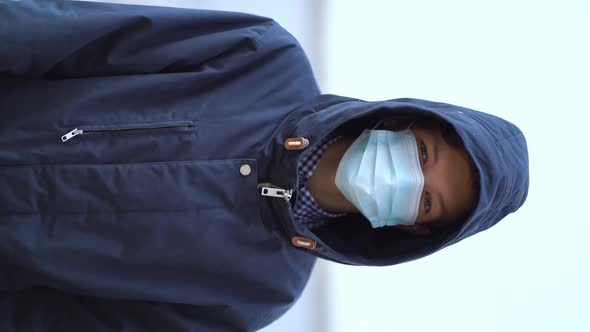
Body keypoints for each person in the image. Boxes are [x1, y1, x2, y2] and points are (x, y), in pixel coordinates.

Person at [0, 1, 529, 331]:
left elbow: (55, 321)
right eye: (422, 156)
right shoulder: (262, 58)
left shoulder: (255, 298)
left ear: (415, 227)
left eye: (426, 198)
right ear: (405, 123)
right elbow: (69, 37)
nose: (407, 180)